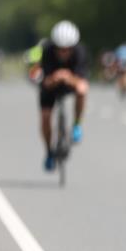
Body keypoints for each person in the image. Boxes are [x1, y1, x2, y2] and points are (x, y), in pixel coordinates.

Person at [39, 20, 89, 172]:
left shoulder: (80, 52)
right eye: (60, 49)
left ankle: (77, 125)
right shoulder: (46, 51)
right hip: (50, 86)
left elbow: (82, 82)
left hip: (70, 83)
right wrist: (55, 78)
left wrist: (68, 77)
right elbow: (44, 82)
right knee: (46, 117)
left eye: (67, 49)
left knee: (82, 91)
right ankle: (48, 152)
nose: (63, 53)